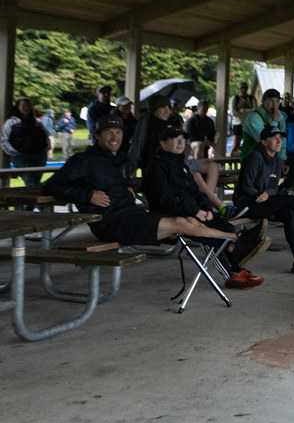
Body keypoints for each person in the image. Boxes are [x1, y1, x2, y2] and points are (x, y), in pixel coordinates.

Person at [43, 115, 235, 246]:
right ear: (96, 136)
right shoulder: (83, 161)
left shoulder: (121, 160)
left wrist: (125, 186)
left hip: (132, 215)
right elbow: (50, 186)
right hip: (110, 223)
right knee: (180, 223)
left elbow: (111, 179)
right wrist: (87, 195)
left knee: (187, 221)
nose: (114, 137)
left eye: (118, 132)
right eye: (108, 133)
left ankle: (232, 246)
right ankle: (235, 240)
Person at [143, 126, 270, 289]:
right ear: (162, 143)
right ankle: (233, 270)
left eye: (183, 140)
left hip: (194, 211)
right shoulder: (156, 166)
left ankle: (238, 262)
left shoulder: (181, 165)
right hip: (171, 215)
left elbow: (196, 192)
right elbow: (163, 199)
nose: (181, 143)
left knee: (225, 225)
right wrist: (195, 211)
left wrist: (206, 209)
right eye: (176, 140)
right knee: (212, 235)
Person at [234, 125, 294, 276]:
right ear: (263, 141)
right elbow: (245, 186)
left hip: (264, 201)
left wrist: (267, 193)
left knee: (288, 213)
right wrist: (259, 195)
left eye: (280, 138)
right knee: (293, 201)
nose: (279, 141)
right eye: (274, 138)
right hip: (248, 204)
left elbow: (274, 187)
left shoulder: (277, 160)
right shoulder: (255, 157)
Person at [2, 98, 51, 196]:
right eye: (23, 105)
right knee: (31, 184)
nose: (26, 108)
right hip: (22, 157)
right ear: (18, 107)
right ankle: (41, 207)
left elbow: (46, 136)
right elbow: (4, 140)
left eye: (28, 106)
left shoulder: (37, 122)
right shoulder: (11, 122)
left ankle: (28, 207)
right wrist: (15, 153)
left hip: (39, 156)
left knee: (34, 184)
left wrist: (46, 147)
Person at [228, 82, 257, 157]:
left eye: (245, 88)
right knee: (235, 146)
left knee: (251, 146)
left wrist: (243, 111)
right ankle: (230, 165)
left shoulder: (252, 99)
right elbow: (234, 112)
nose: (243, 90)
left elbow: (256, 110)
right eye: (242, 88)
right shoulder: (234, 99)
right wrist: (249, 111)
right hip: (238, 125)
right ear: (238, 89)